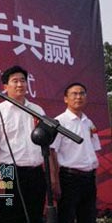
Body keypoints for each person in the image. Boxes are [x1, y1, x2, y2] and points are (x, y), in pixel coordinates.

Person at [0, 65, 46, 223]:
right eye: (15, 81)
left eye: (23, 81)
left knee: (35, 216)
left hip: (36, 174)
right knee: (10, 217)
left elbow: (47, 145)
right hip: (9, 174)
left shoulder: (37, 110)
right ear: (5, 87)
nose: (20, 84)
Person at [50, 82, 101, 223]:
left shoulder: (88, 122)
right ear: (66, 98)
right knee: (66, 218)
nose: (78, 97)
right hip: (69, 179)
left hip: (89, 179)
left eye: (82, 93)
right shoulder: (59, 122)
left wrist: (94, 175)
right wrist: (55, 180)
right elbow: (52, 151)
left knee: (88, 218)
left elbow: (94, 149)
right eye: (74, 94)